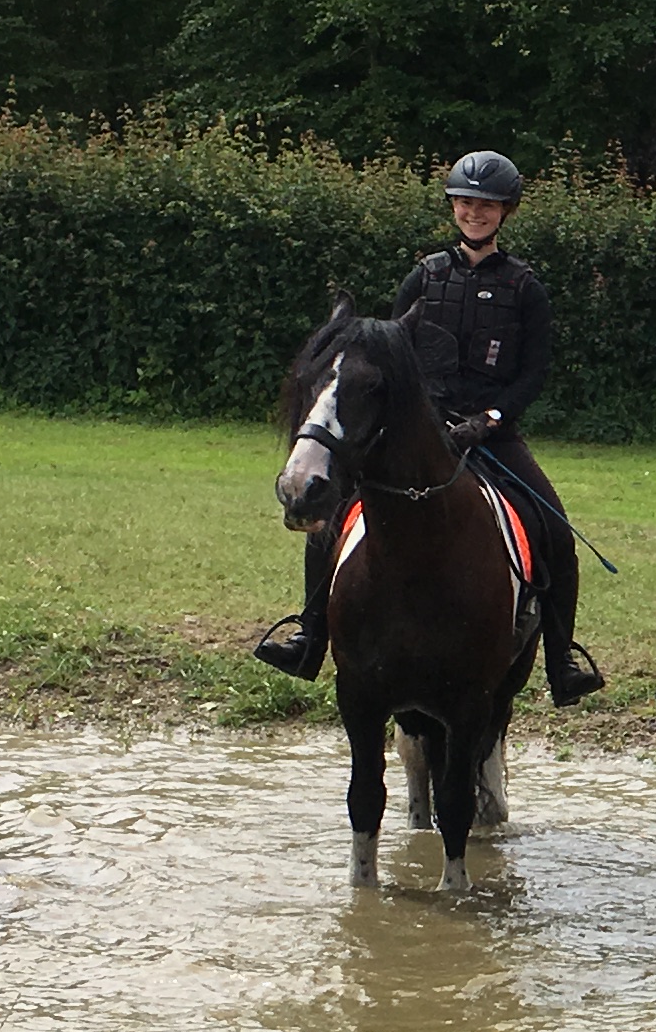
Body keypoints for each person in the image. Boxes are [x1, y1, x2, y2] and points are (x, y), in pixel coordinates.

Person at [253, 150, 603, 704]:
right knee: (336, 515)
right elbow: (393, 357)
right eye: (465, 203)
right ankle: (310, 634)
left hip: (492, 432)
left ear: (504, 211)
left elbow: (533, 372)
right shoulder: (425, 275)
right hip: (421, 430)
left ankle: (561, 659)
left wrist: (489, 419)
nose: (474, 214)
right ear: (454, 208)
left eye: (485, 206)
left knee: (554, 528)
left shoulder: (524, 287)